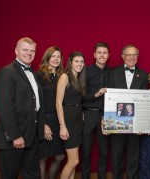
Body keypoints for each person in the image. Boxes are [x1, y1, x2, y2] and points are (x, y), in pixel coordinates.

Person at [0, 37, 44, 179]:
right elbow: (5, 107)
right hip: (14, 138)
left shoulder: (33, 74)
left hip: (31, 136)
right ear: (16, 50)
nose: (29, 53)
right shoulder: (7, 72)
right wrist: (15, 136)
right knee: (10, 175)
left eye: (32, 51)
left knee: (33, 175)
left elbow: (36, 103)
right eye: (25, 50)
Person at [109, 44, 148, 179]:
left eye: (134, 55)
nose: (131, 58)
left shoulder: (143, 74)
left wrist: (143, 123)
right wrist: (106, 119)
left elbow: (144, 100)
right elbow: (109, 98)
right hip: (117, 121)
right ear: (122, 56)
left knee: (133, 156)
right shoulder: (113, 73)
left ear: (137, 57)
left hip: (135, 123)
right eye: (128, 54)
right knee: (117, 156)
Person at [81, 42, 111, 179]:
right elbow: (79, 97)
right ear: (94, 55)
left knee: (104, 152)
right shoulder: (85, 71)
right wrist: (96, 95)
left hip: (105, 116)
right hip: (88, 114)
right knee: (86, 152)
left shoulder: (112, 72)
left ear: (108, 55)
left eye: (105, 52)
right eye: (99, 52)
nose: (102, 55)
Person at [35, 46, 65, 179]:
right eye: (53, 56)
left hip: (58, 120)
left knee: (60, 155)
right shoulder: (39, 76)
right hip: (45, 119)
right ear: (47, 58)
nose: (56, 59)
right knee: (43, 157)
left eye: (58, 57)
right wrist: (43, 124)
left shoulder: (62, 76)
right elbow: (37, 103)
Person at [56, 51, 86, 179]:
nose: (80, 64)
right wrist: (62, 125)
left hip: (77, 121)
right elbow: (58, 102)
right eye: (77, 61)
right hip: (68, 122)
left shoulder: (78, 78)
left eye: (82, 61)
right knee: (74, 161)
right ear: (70, 62)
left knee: (73, 162)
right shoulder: (65, 76)